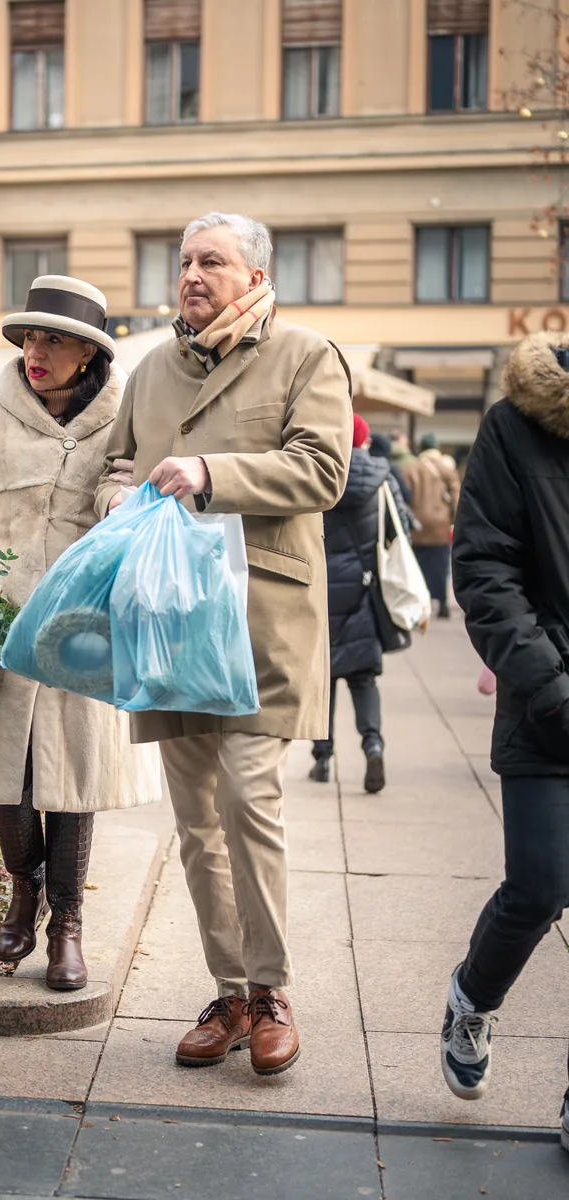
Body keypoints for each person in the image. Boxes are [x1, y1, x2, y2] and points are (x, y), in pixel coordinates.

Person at [96, 212, 351, 1076]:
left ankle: (273, 989)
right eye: (183, 262)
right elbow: (118, 463)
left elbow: (323, 471)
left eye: (212, 261)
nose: (192, 275)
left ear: (255, 276)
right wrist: (114, 491)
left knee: (250, 798)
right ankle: (232, 994)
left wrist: (213, 475)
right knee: (196, 819)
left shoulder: (306, 354)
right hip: (169, 621)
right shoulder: (152, 368)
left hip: (259, 621)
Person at [0, 275, 159, 991]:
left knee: (73, 777)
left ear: (89, 352)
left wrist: (121, 499)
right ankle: (25, 885)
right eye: (28, 336)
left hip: (87, 625)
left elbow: (133, 483)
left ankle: (68, 924)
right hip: (3, 621)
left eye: (53, 339)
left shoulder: (126, 412)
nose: (35, 350)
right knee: (5, 773)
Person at [441, 332, 569, 1153]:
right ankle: (471, 999)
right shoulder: (515, 422)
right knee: (540, 886)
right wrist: (551, 687)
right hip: (549, 704)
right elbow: (484, 568)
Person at [310, 415, 412, 793]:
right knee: (363, 676)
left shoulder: (319, 472)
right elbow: (402, 524)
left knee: (323, 677)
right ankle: (373, 743)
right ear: (365, 442)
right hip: (365, 589)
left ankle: (322, 757)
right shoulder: (383, 478)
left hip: (321, 589)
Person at [402, 432, 460, 619]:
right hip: (440, 526)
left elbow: (404, 497)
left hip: (417, 527)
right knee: (440, 566)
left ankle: (420, 606)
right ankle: (442, 604)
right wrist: (454, 519)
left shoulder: (411, 469)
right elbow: (456, 498)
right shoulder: (446, 469)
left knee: (418, 568)